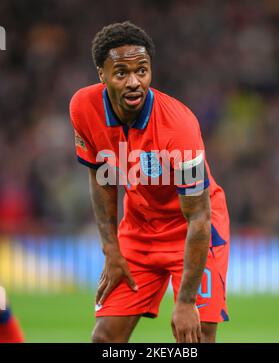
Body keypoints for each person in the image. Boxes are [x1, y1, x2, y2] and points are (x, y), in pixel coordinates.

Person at [69, 21, 230, 343]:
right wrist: (111, 249)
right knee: (104, 339)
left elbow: (198, 217)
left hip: (192, 232)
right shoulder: (83, 107)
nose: (134, 82)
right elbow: (101, 180)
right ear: (101, 74)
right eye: (121, 73)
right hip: (138, 232)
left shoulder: (179, 126)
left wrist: (185, 302)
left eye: (142, 71)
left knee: (196, 338)